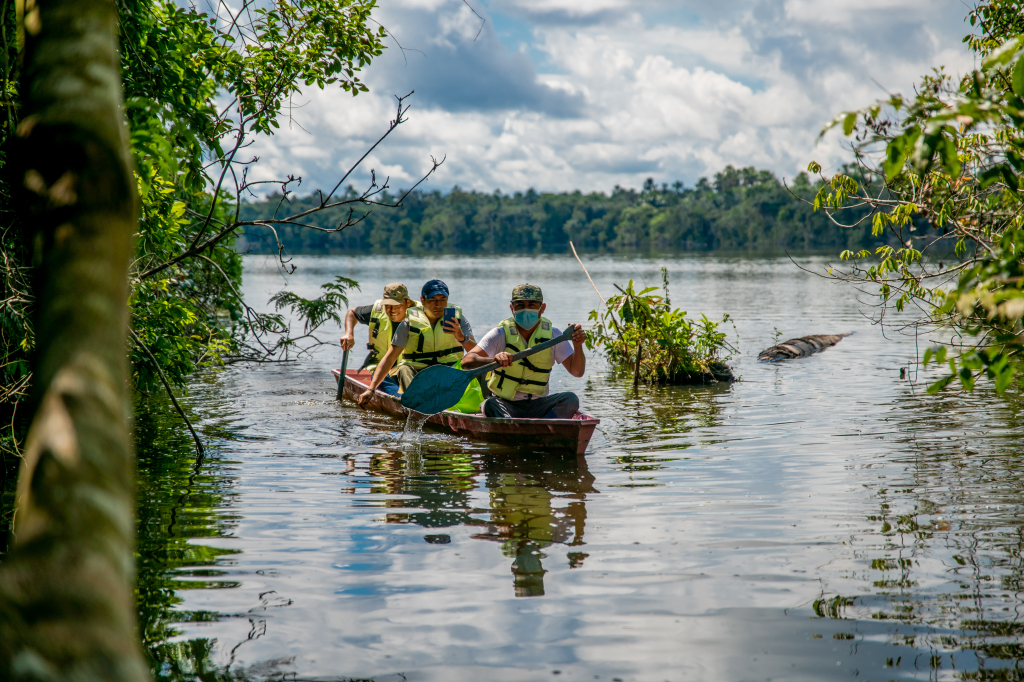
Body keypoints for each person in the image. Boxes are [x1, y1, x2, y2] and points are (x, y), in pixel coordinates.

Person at [461, 283, 586, 419]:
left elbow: (577, 371)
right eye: (520, 305)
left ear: (542, 308)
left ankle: (543, 426)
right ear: (512, 308)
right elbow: (466, 362)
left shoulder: (554, 335)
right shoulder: (499, 334)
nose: (526, 309)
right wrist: (494, 359)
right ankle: (516, 427)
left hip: (539, 405)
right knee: (490, 404)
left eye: (532, 304)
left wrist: (578, 345)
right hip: (505, 404)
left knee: (570, 399)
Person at [357, 279, 477, 406]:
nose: (438, 305)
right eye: (433, 300)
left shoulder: (459, 320)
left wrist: (461, 337)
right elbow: (390, 357)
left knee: (472, 365)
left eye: (443, 299)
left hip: (448, 370)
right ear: (423, 300)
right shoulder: (408, 323)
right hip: (418, 372)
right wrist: (370, 390)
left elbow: (477, 352)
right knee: (402, 369)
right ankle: (416, 402)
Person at [340, 282, 418, 396]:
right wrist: (348, 333)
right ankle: (402, 401)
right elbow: (352, 313)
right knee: (388, 382)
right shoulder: (377, 310)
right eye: (388, 306)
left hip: (412, 370)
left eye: (397, 305)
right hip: (383, 372)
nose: (392, 310)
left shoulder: (422, 314)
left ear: (407, 303)